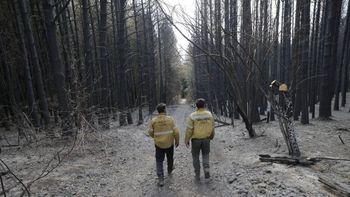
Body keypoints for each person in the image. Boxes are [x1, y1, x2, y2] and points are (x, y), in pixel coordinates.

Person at [148, 103, 180, 187]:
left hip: (159, 144)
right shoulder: (170, 119)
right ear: (164, 110)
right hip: (169, 143)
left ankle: (161, 178)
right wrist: (177, 141)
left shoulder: (154, 120)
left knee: (159, 161)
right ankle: (169, 170)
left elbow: (150, 132)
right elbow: (176, 132)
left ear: (158, 111)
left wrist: (156, 137)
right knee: (170, 158)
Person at [185, 98, 215, 181]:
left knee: (195, 157)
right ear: (204, 105)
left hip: (196, 140)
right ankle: (206, 171)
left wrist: (186, 140)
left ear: (196, 106)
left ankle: (197, 174)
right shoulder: (209, 114)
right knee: (205, 155)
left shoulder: (192, 116)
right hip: (206, 139)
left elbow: (189, 129)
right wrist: (211, 136)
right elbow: (212, 127)